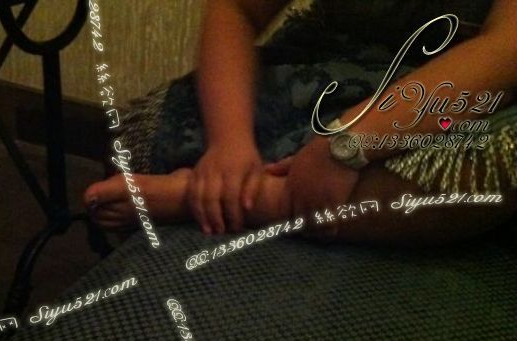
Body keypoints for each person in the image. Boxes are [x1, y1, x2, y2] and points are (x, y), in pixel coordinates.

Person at [84, 0, 517, 245]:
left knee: (496, 162)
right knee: (140, 137)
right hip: (327, 64)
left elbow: (507, 48)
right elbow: (237, 10)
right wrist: (229, 143)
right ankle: (232, 187)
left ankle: (245, 199)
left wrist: (347, 144)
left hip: (451, 93)